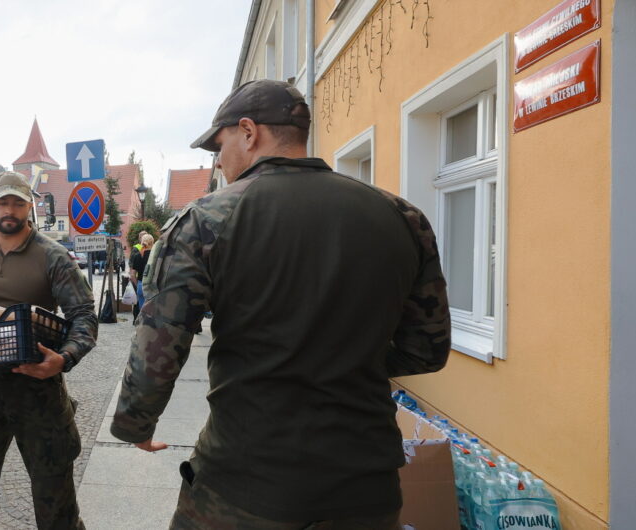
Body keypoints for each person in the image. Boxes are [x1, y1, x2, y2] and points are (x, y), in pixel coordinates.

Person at [110, 79, 451, 529]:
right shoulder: (403, 218)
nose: (218, 159)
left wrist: (136, 424)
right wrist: (348, 359)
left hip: (244, 483)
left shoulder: (207, 220)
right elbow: (428, 350)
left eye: (220, 144)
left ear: (249, 132)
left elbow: (159, 350)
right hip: (365, 487)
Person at [0, 171, 98, 530]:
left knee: (55, 498)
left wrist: (65, 358)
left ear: (31, 206)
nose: (10, 210)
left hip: (38, 389)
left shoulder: (53, 256)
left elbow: (83, 316)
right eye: (3, 202)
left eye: (18, 202)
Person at [128, 233, 154, 323]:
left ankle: (142, 327)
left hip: (140, 284)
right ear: (152, 243)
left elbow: (132, 275)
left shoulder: (137, 256)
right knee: (152, 310)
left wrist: (138, 284)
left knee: (142, 310)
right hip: (152, 286)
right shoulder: (154, 257)